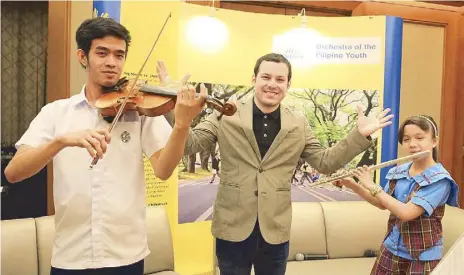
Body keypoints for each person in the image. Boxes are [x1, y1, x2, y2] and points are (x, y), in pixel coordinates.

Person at [157, 52, 394, 275]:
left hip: (275, 230)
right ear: (254, 79)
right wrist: (174, 108)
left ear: (288, 85)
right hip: (232, 226)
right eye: (266, 77)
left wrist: (359, 135)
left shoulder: (298, 123)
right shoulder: (225, 113)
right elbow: (190, 144)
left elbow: (325, 163)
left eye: (280, 79)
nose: (273, 84)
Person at [4, 17, 206, 275]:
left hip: (126, 254)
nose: (112, 62)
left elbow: (164, 170)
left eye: (119, 55)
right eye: (102, 53)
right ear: (82, 56)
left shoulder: (138, 110)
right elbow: (13, 172)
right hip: (71, 255)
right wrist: (60, 141)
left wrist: (181, 125)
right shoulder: (55, 113)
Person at [335, 115, 460, 275]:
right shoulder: (399, 171)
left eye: (420, 138)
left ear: (434, 141)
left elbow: (407, 213)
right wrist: (352, 184)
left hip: (422, 256)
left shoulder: (440, 180)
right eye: (406, 139)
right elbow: (381, 203)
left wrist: (372, 185)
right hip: (391, 248)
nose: (413, 144)